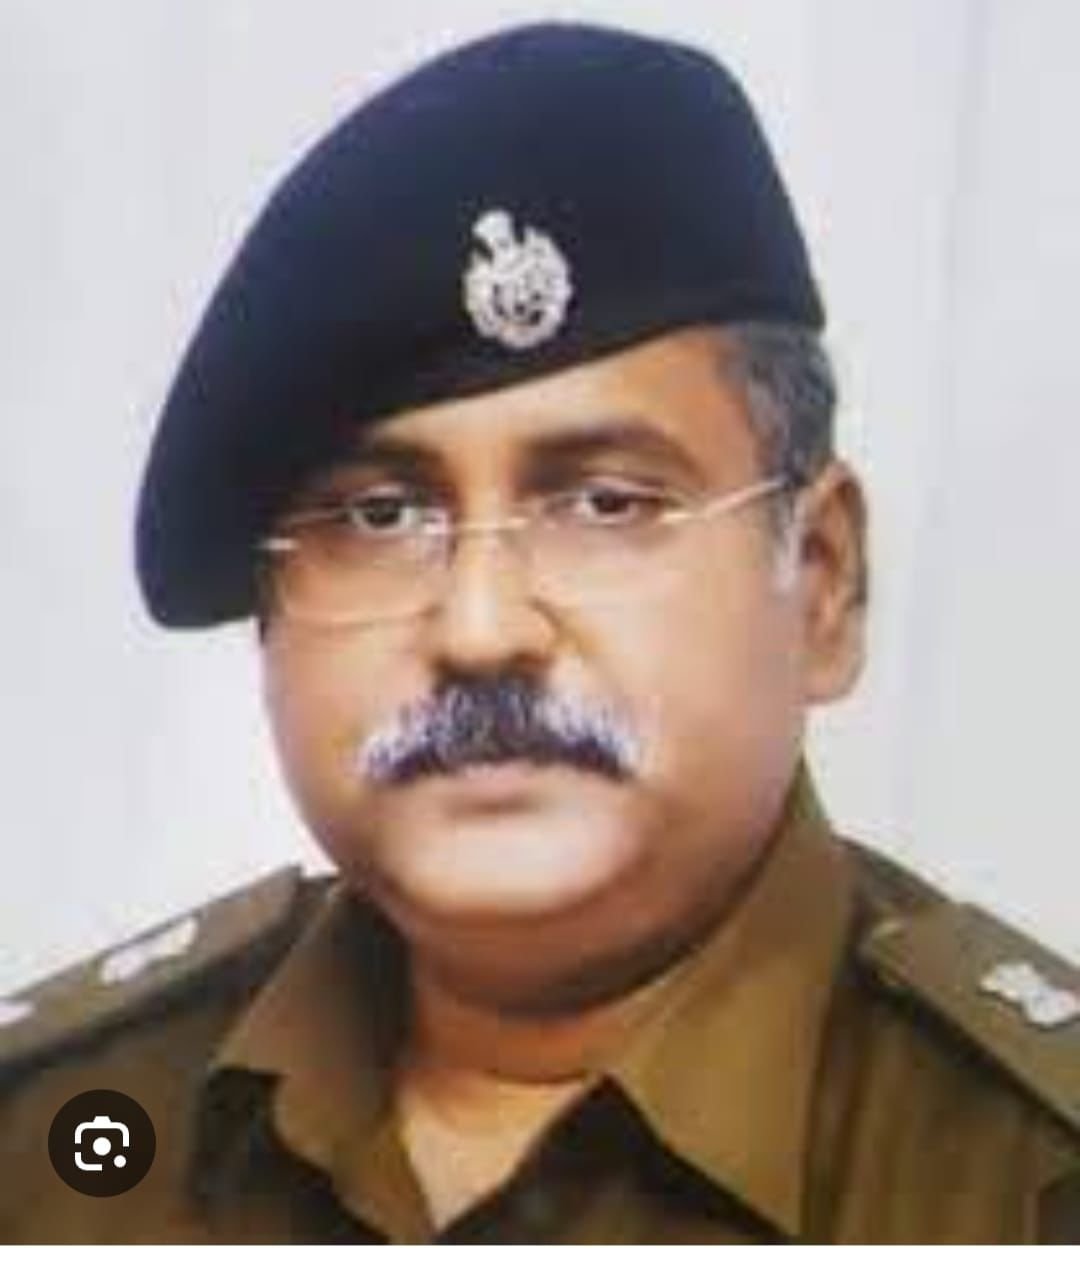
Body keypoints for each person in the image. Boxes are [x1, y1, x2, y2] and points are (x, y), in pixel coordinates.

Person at [1, 21, 1077, 1244]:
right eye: (381, 514)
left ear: (823, 582)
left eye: (606, 503)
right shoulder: (64, 1138)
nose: (481, 628)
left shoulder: (1031, 1183)